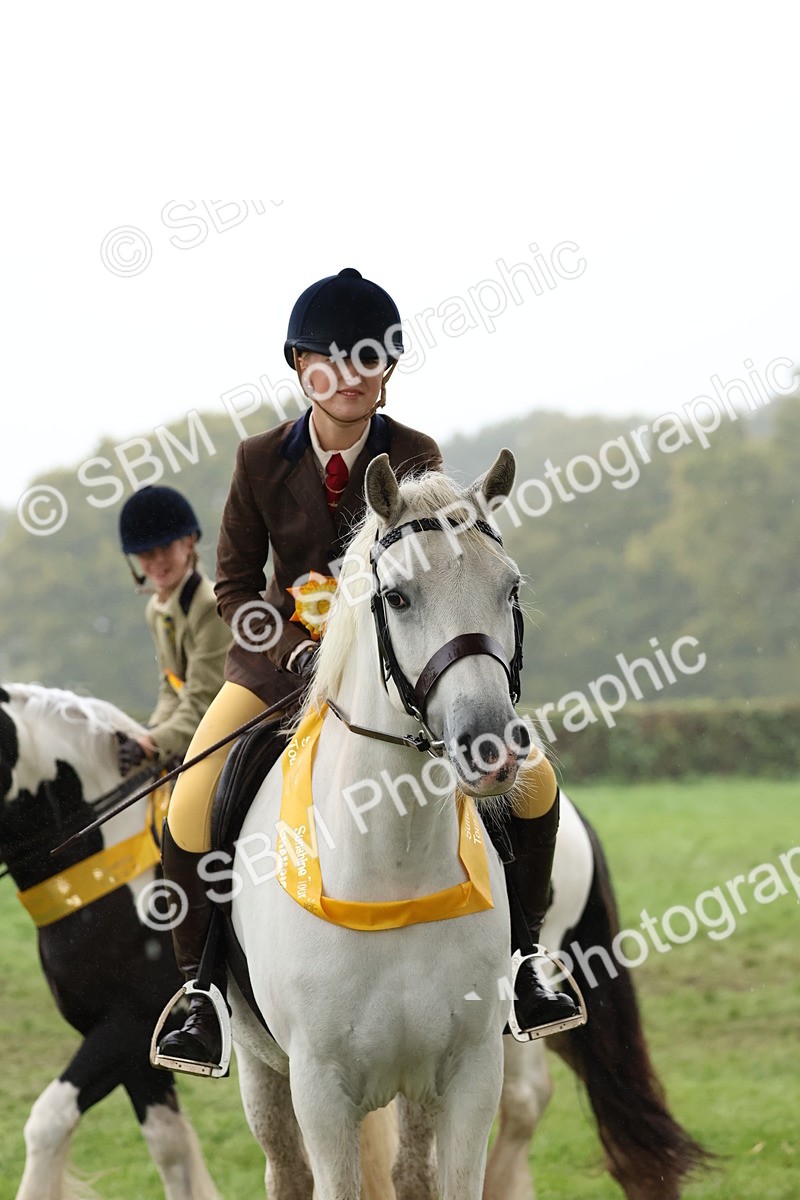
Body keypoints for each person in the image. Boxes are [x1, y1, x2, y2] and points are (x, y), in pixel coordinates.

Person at [155, 268, 579, 1073]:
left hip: (395, 674)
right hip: (277, 669)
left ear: (387, 371)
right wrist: (296, 649)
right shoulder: (256, 460)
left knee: (536, 783)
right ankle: (198, 994)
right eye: (330, 361)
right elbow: (237, 586)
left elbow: (440, 567)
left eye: (368, 360)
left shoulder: (414, 453)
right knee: (190, 798)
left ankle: (525, 962)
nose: (350, 378)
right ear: (300, 367)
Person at [116, 486, 232, 772]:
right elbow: (171, 687)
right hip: (191, 730)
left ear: (189, 543)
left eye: (165, 548)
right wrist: (150, 732)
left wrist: (152, 743)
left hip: (228, 728)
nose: (156, 562)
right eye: (145, 553)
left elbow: (203, 700)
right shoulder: (155, 609)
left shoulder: (209, 605)